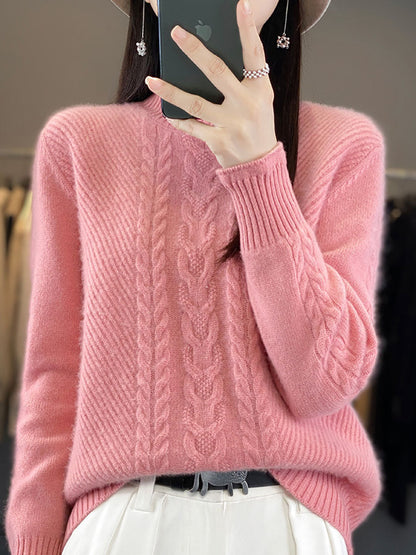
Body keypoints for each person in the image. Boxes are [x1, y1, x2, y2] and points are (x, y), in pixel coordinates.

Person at [4, 0, 387, 553]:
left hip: (287, 519)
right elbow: (55, 372)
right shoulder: (79, 143)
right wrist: (33, 541)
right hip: (124, 521)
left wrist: (258, 168)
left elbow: (326, 382)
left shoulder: (344, 145)